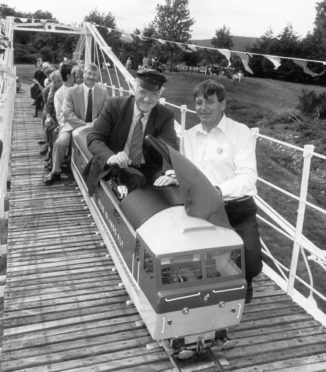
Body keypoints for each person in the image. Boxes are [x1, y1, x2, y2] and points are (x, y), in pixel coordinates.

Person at [182, 79, 262, 304]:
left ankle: (246, 279)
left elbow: (248, 175)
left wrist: (218, 190)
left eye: (209, 102)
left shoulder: (240, 132)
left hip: (238, 208)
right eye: (198, 102)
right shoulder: (189, 136)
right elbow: (188, 173)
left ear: (223, 104)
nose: (202, 108)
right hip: (205, 209)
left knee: (252, 259)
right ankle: (214, 289)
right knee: (202, 255)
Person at [85, 68, 179, 196]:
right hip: (117, 164)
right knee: (136, 179)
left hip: (148, 165)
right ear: (134, 89)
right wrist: (111, 157)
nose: (147, 99)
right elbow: (94, 137)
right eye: (143, 92)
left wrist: (170, 174)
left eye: (154, 95)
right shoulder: (114, 106)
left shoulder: (165, 115)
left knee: (168, 186)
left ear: (160, 94)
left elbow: (169, 147)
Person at [43, 63, 108, 185]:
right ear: (83, 75)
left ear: (97, 76)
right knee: (61, 142)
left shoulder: (103, 92)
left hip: (95, 126)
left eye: (94, 74)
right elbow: (66, 112)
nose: (91, 77)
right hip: (73, 125)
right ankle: (55, 171)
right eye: (89, 73)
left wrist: (96, 123)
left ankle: (99, 175)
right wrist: (83, 124)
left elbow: (105, 112)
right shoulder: (72, 91)